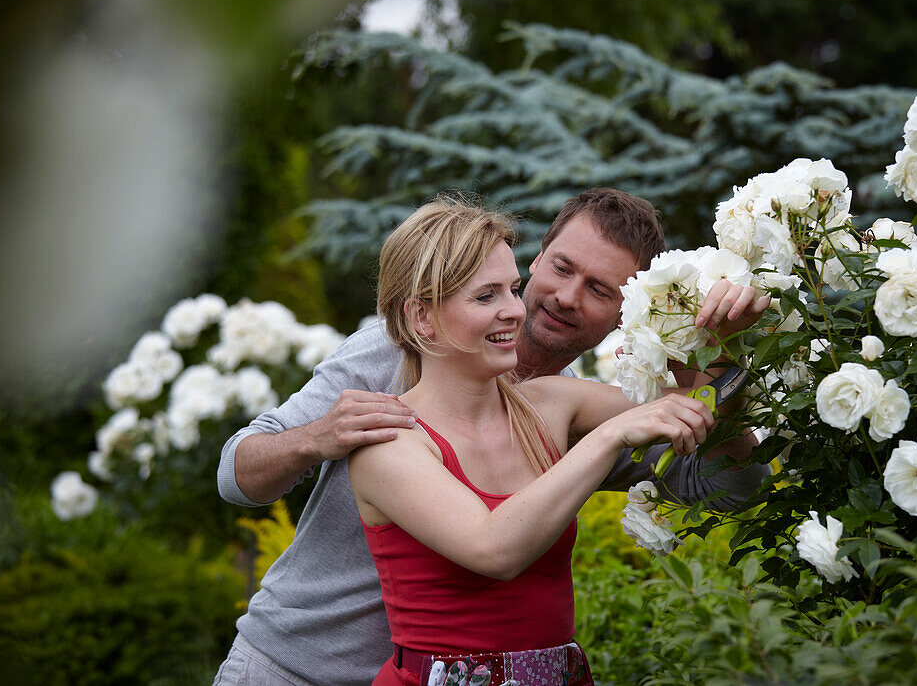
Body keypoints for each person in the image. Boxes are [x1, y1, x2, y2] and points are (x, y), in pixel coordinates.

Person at [214, 188, 771, 686]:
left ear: (626, 312)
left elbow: (725, 484)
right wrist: (317, 436)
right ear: (539, 260)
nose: (566, 297)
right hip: (293, 666)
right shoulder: (387, 362)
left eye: (599, 288)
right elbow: (236, 474)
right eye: (561, 267)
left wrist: (722, 354)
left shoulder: (563, 406)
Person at [352, 197, 745, 684]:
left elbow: (701, 404)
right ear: (423, 317)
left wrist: (726, 336)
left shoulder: (552, 400)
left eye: (513, 290)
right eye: (485, 297)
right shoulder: (387, 442)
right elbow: (493, 550)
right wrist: (607, 438)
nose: (514, 312)